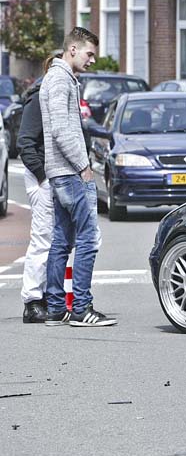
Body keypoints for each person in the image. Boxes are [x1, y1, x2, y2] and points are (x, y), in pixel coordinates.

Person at [40, 27, 116, 327]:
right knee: (88, 238)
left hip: (59, 171)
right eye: (89, 53)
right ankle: (82, 308)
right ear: (72, 49)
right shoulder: (59, 80)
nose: (93, 60)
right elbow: (61, 129)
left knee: (61, 240)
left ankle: (57, 308)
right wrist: (83, 165)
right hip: (70, 171)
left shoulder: (59, 78)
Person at [16, 52, 62, 323]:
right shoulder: (39, 97)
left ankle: (50, 295)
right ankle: (33, 301)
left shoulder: (57, 94)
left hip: (57, 177)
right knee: (43, 238)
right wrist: (43, 175)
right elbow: (25, 143)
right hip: (43, 178)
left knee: (57, 239)